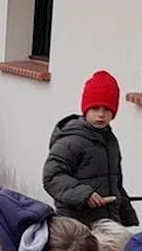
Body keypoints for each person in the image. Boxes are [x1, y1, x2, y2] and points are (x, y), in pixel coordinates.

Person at [42, 72, 136, 228]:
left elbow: (114, 181)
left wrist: (125, 215)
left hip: (106, 221)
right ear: (85, 109)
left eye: (107, 109)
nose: (101, 114)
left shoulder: (110, 141)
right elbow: (52, 177)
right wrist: (85, 194)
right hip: (75, 224)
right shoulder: (71, 140)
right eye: (95, 108)